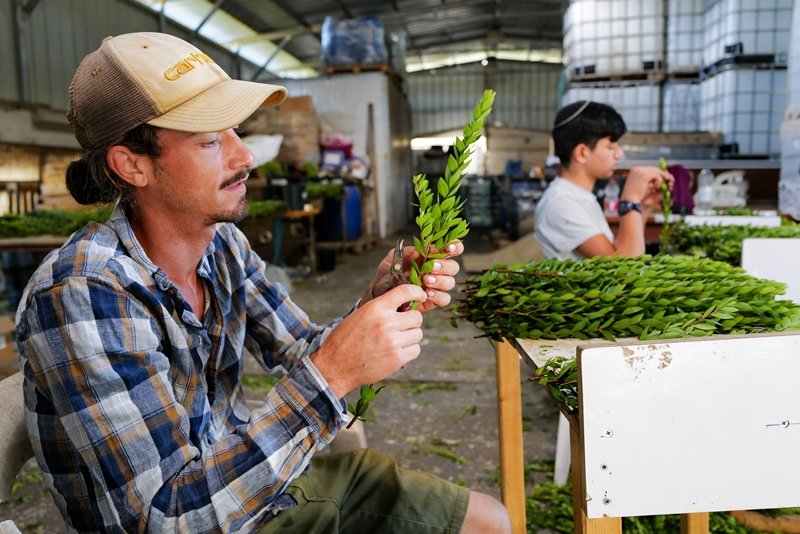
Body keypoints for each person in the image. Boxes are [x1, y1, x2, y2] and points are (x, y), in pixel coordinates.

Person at [15, 32, 511, 533]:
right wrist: (333, 374)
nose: (245, 156)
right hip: (202, 518)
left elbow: (303, 350)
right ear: (132, 164)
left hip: (257, 490)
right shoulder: (82, 293)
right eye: (211, 140)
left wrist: (379, 305)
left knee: (489, 520)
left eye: (236, 131)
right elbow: (168, 518)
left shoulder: (223, 246)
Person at [534, 101, 673, 260]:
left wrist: (642, 205)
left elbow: (626, 250)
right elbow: (623, 269)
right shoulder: (561, 203)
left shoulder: (578, 197)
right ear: (582, 153)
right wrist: (630, 200)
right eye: (610, 147)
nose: (619, 154)